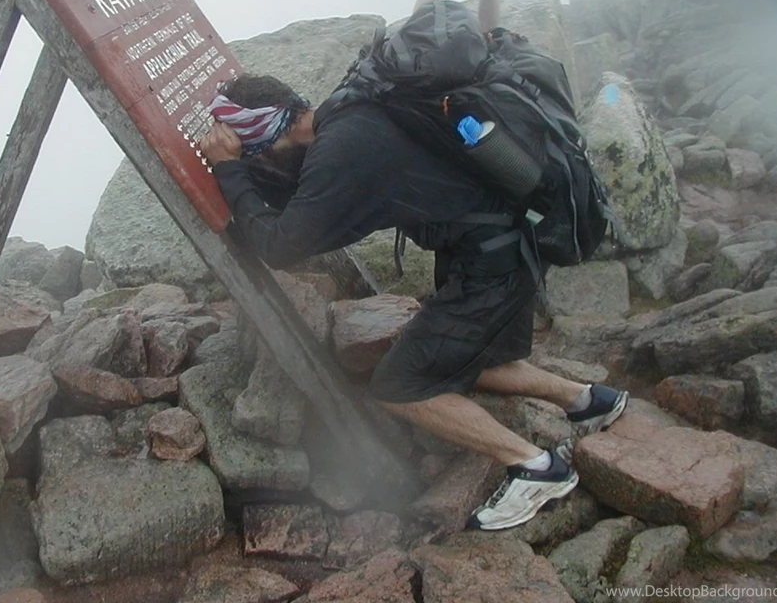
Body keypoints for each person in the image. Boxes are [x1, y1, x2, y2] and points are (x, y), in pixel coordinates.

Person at [199, 74, 629, 530]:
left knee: (399, 386)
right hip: (500, 243)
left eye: (252, 149)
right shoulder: (349, 111)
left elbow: (279, 245)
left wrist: (228, 168)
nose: (257, 160)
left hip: (490, 262)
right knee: (465, 358)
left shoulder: (340, 153)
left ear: (265, 133)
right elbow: (314, 202)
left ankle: (535, 467)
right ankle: (590, 401)